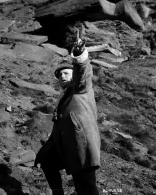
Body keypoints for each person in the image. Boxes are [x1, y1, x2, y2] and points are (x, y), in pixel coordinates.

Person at [34, 31, 100, 195]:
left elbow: (83, 74)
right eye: (59, 75)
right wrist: (46, 149)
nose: (62, 76)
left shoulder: (80, 89)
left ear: (73, 75)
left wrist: (79, 57)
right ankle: (58, 192)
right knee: (48, 161)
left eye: (66, 73)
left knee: (86, 188)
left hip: (81, 145)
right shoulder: (65, 96)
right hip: (67, 144)